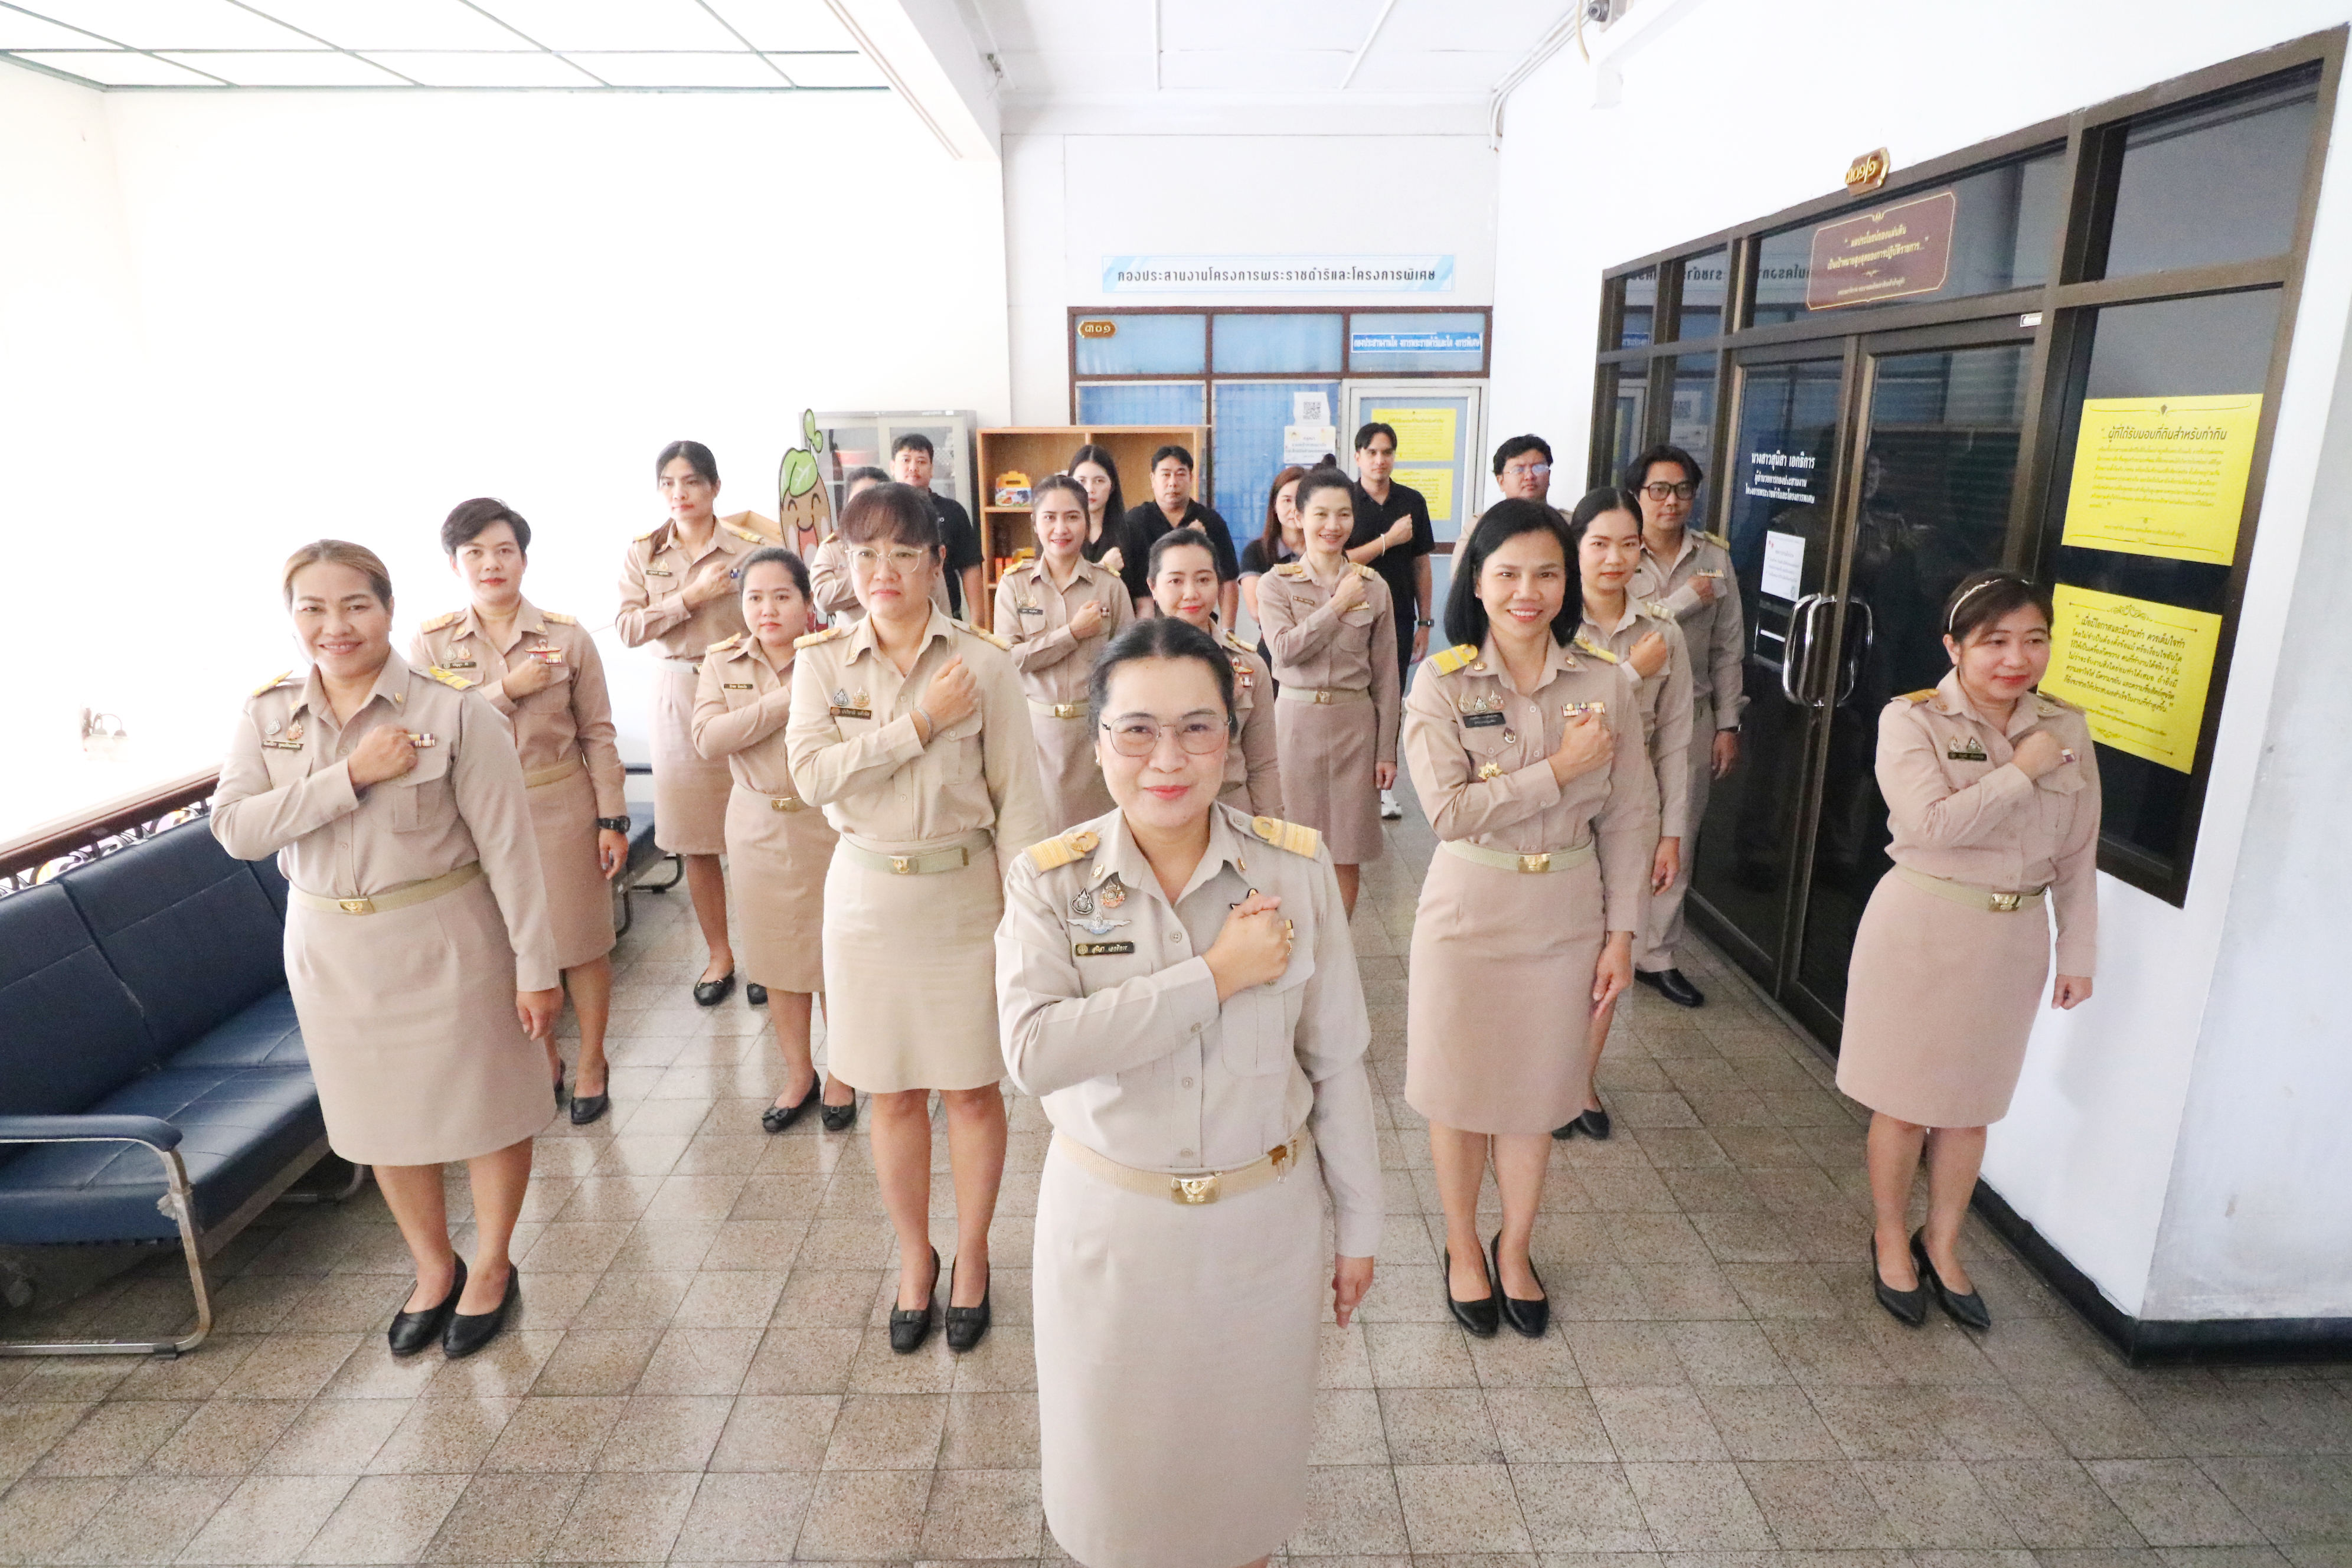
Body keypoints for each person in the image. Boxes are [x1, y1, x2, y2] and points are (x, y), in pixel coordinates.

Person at [998, 615, 1379, 1568]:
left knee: (1241, 1498)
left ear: (1231, 734)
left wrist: (1360, 1229)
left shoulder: (1291, 869)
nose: (1166, 757)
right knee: (1114, 1503)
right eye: (1136, 730)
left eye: (1196, 727)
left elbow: (1335, 1062)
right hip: (1110, 1238)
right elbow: (1034, 1051)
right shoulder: (1049, 883)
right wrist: (1213, 974)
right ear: (1096, 742)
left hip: (1260, 1234)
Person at [215, 541, 556, 1358]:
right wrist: (351, 776)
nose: (336, 626)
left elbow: (512, 852)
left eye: (355, 606)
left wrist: (537, 968)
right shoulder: (268, 717)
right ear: (293, 617)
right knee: (381, 1120)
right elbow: (235, 830)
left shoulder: (455, 713)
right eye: (314, 609)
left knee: (488, 1107)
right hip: (332, 948)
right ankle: (435, 1268)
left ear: (389, 609)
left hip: (446, 938)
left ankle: (494, 1268)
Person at [786, 481, 1051, 1354]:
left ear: (939, 561)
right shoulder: (822, 660)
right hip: (865, 903)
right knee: (890, 1093)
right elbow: (813, 777)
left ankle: (972, 1254)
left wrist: (1028, 920)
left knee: (972, 1091)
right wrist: (920, 723)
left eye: (904, 553)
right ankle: (914, 1256)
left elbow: (1021, 803)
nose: (883, 572)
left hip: (964, 897)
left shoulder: (985, 661)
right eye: (865, 554)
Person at [1402, 501, 1657, 1338]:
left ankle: (1516, 1247)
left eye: (1547, 572)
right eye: (1508, 573)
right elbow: (1448, 812)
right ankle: (1464, 1246)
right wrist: (1557, 769)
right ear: (1476, 581)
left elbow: (1628, 818)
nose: (1528, 591)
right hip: (1470, 913)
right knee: (1461, 1090)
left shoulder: (1607, 681)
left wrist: (1623, 933)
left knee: (1536, 1094)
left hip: (1566, 915)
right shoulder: (1439, 685)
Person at [1840, 570, 2098, 1331]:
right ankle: (1891, 1235)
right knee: (1905, 1101)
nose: (2016, 658)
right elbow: (1929, 827)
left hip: (2011, 938)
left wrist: (2076, 950)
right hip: (1922, 928)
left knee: (1971, 1108)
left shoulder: (2067, 725)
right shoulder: (1910, 720)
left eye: (2034, 639)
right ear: (1954, 646)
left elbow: (2078, 853)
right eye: (1995, 642)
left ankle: (1944, 1242)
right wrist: (2022, 771)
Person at [411, 499, 629, 1126]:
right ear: (455, 564)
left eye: (503, 550)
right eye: (475, 553)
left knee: (582, 942)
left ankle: (592, 1060)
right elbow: (428, 736)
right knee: (511, 947)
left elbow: (599, 734)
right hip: (477, 816)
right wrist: (508, 689)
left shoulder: (566, 636)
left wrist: (611, 818)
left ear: (524, 559)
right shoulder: (430, 642)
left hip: (561, 802)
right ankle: (545, 1059)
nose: (491, 564)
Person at [692, 547, 857, 1136]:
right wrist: (785, 700)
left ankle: (844, 1072)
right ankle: (798, 1075)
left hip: (829, 822)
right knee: (778, 959)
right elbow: (710, 738)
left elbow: (860, 726)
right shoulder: (722, 662)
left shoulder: (838, 656)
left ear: (808, 603)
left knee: (835, 950)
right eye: (755, 597)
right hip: (758, 824)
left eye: (782, 596)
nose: (767, 609)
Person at [1559, 488, 1693, 1141]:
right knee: (1554, 949)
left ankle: (1580, 1080)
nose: (1615, 558)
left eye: (1629, 543)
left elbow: (1676, 740)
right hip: (1559, 807)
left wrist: (1672, 833)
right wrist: (1630, 678)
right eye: (1600, 543)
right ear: (1575, 546)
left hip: (1632, 812)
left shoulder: (1662, 630)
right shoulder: (1550, 624)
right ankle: (1539, 1077)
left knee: (1612, 947)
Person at [616, 440, 762, 1006]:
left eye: (692, 482)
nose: (680, 494)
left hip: (744, 686)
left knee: (761, 830)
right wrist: (689, 598)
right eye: (670, 484)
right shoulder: (643, 554)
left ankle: (767, 955)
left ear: (715, 488)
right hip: (677, 690)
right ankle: (720, 955)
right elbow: (629, 629)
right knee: (697, 840)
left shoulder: (751, 547)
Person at [1623, 442, 1744, 1008]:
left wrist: (1728, 723)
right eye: (1659, 490)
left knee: (1678, 841)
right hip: (1624, 717)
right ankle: (1605, 939)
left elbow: (1728, 649)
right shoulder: (1615, 550)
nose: (1671, 501)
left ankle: (1657, 956)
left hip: (1690, 720)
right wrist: (1680, 602)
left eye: (1682, 490)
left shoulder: (1714, 558)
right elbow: (1620, 628)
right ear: (1637, 495)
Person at [1253, 468, 1401, 918]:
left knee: (1345, 849)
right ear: (1298, 516)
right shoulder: (1275, 584)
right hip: (1295, 726)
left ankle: (1336, 949)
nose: (1332, 525)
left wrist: (1386, 750)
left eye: (1343, 514)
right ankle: (1297, 946)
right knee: (1293, 843)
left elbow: (1387, 675)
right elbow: (1282, 654)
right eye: (1320, 514)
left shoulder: (1375, 588)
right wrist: (1337, 605)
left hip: (1355, 727)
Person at [996, 474, 1138, 829]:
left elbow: (1129, 667)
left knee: (1098, 838)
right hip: (1035, 732)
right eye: (1050, 517)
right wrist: (1072, 634)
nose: (1061, 528)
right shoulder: (1014, 584)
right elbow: (1009, 660)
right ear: (1035, 523)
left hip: (1095, 733)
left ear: (1087, 522)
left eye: (1072, 517)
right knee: (1040, 838)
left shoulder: (1109, 585)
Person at [1149, 527, 1281, 818]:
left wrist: (1270, 830)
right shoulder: (1132, 666)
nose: (1191, 593)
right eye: (1175, 580)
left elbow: (1264, 763)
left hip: (1232, 811)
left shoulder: (1249, 665)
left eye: (1204, 579)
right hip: (1159, 813)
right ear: (1153, 588)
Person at [1344, 423, 1436, 820]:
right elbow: (1337, 559)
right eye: (1372, 452)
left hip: (1399, 615)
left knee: (1389, 698)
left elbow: (1421, 564)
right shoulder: (1344, 500)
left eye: (1387, 452)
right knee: (1353, 696)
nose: (1380, 460)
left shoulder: (1411, 500)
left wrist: (1425, 621)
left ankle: (1383, 788)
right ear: (1358, 457)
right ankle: (1351, 783)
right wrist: (1387, 541)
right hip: (1350, 615)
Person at [813, 466, 949, 625]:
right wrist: (868, 576)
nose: (870, 509)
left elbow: (940, 605)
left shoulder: (920, 549)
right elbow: (822, 599)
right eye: (866, 554)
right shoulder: (833, 546)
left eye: (902, 555)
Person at [1122, 444, 1240, 626]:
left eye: (1180, 474)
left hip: (1199, 619)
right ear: (1153, 479)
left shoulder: (1211, 521)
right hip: (1148, 621)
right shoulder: (1134, 521)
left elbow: (1228, 582)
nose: (1173, 482)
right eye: (1166, 474)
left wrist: (1227, 631)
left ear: (1191, 478)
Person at [892, 433, 984, 622]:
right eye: (906, 460)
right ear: (893, 467)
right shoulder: (883, 512)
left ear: (932, 469)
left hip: (946, 617)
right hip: (897, 619)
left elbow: (970, 567)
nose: (913, 468)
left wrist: (977, 624)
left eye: (921, 461)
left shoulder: (952, 511)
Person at [1239, 463, 1308, 661]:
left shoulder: (1327, 553)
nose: (1295, 508)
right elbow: (1257, 611)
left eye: (1302, 499)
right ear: (1274, 507)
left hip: (1322, 651)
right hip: (1273, 652)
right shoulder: (1256, 552)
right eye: (1287, 500)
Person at [1069, 442, 1133, 596]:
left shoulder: (1131, 532)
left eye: (1099, 481)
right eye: (1081, 481)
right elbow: (1059, 594)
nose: (1090, 489)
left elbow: (1142, 601)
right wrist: (1104, 569)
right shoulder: (1061, 534)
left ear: (1112, 486)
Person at [1492, 435, 1556, 506]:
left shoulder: (1564, 517)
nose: (1530, 476)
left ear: (1549, 475)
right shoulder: (1487, 517)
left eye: (1538, 468)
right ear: (1501, 482)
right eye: (1519, 470)